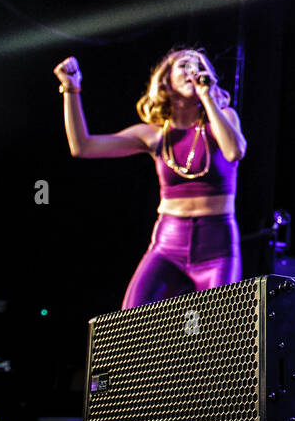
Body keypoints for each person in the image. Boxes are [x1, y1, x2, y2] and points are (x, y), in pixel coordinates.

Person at [54, 49, 247, 309]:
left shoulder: (224, 118)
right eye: (183, 66)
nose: (192, 70)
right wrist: (71, 90)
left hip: (217, 245)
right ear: (166, 82)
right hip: (168, 242)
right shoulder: (154, 135)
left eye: (198, 65)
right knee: (131, 321)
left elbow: (234, 151)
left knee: (212, 333)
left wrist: (207, 98)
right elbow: (83, 146)